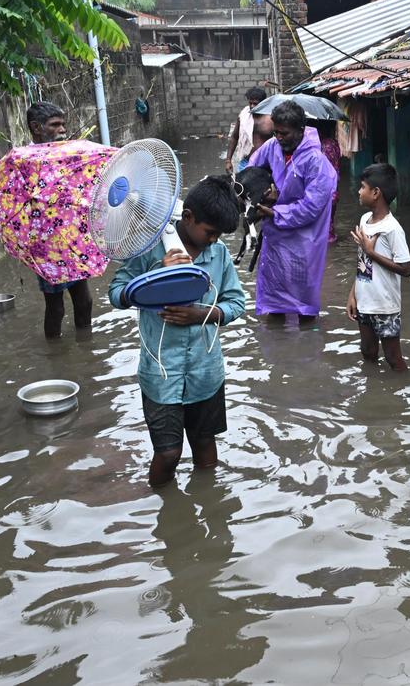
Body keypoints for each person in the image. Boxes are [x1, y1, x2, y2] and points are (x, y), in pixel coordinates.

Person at [108, 176, 247, 488]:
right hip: (161, 373)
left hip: (205, 370)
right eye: (209, 232)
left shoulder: (219, 254)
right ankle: (165, 515)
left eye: (218, 235)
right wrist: (156, 275)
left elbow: (236, 302)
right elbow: (116, 294)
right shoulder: (147, 248)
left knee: (205, 443)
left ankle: (208, 503)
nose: (213, 240)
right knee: (168, 453)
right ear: (188, 218)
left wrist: (202, 315)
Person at [247, 101, 338, 324]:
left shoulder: (316, 161)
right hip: (275, 237)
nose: (279, 137)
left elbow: (311, 207)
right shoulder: (272, 146)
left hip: (304, 240)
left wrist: (276, 213)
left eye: (284, 133)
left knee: (304, 300)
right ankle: (277, 353)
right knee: (274, 297)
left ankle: (309, 348)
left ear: (300, 130)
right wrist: (262, 191)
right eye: (276, 132)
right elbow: (252, 169)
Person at [25, 101, 93, 338]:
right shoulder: (26, 162)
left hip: (72, 236)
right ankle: (55, 353)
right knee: (56, 307)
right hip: (46, 244)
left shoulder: (68, 155)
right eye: (55, 125)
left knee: (84, 301)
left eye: (63, 124)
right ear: (36, 127)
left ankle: (85, 350)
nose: (62, 129)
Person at [346, 163, 410, 370]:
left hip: (385, 306)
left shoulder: (392, 229)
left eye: (362, 187)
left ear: (375, 193)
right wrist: (352, 294)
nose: (358, 191)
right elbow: (362, 263)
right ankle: (373, 392)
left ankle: (401, 390)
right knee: (367, 352)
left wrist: (371, 252)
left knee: (393, 358)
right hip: (365, 301)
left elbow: (406, 268)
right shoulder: (365, 219)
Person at [225, 86, 267, 175]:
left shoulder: (271, 118)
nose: (252, 106)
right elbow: (234, 137)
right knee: (243, 188)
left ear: (263, 103)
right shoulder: (243, 116)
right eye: (250, 103)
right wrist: (228, 160)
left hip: (265, 164)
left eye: (255, 104)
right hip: (245, 163)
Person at [314, 121, 343, 243]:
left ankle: (326, 250)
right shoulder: (334, 143)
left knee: (321, 223)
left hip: (322, 190)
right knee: (329, 221)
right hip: (333, 188)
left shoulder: (321, 147)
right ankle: (331, 242)